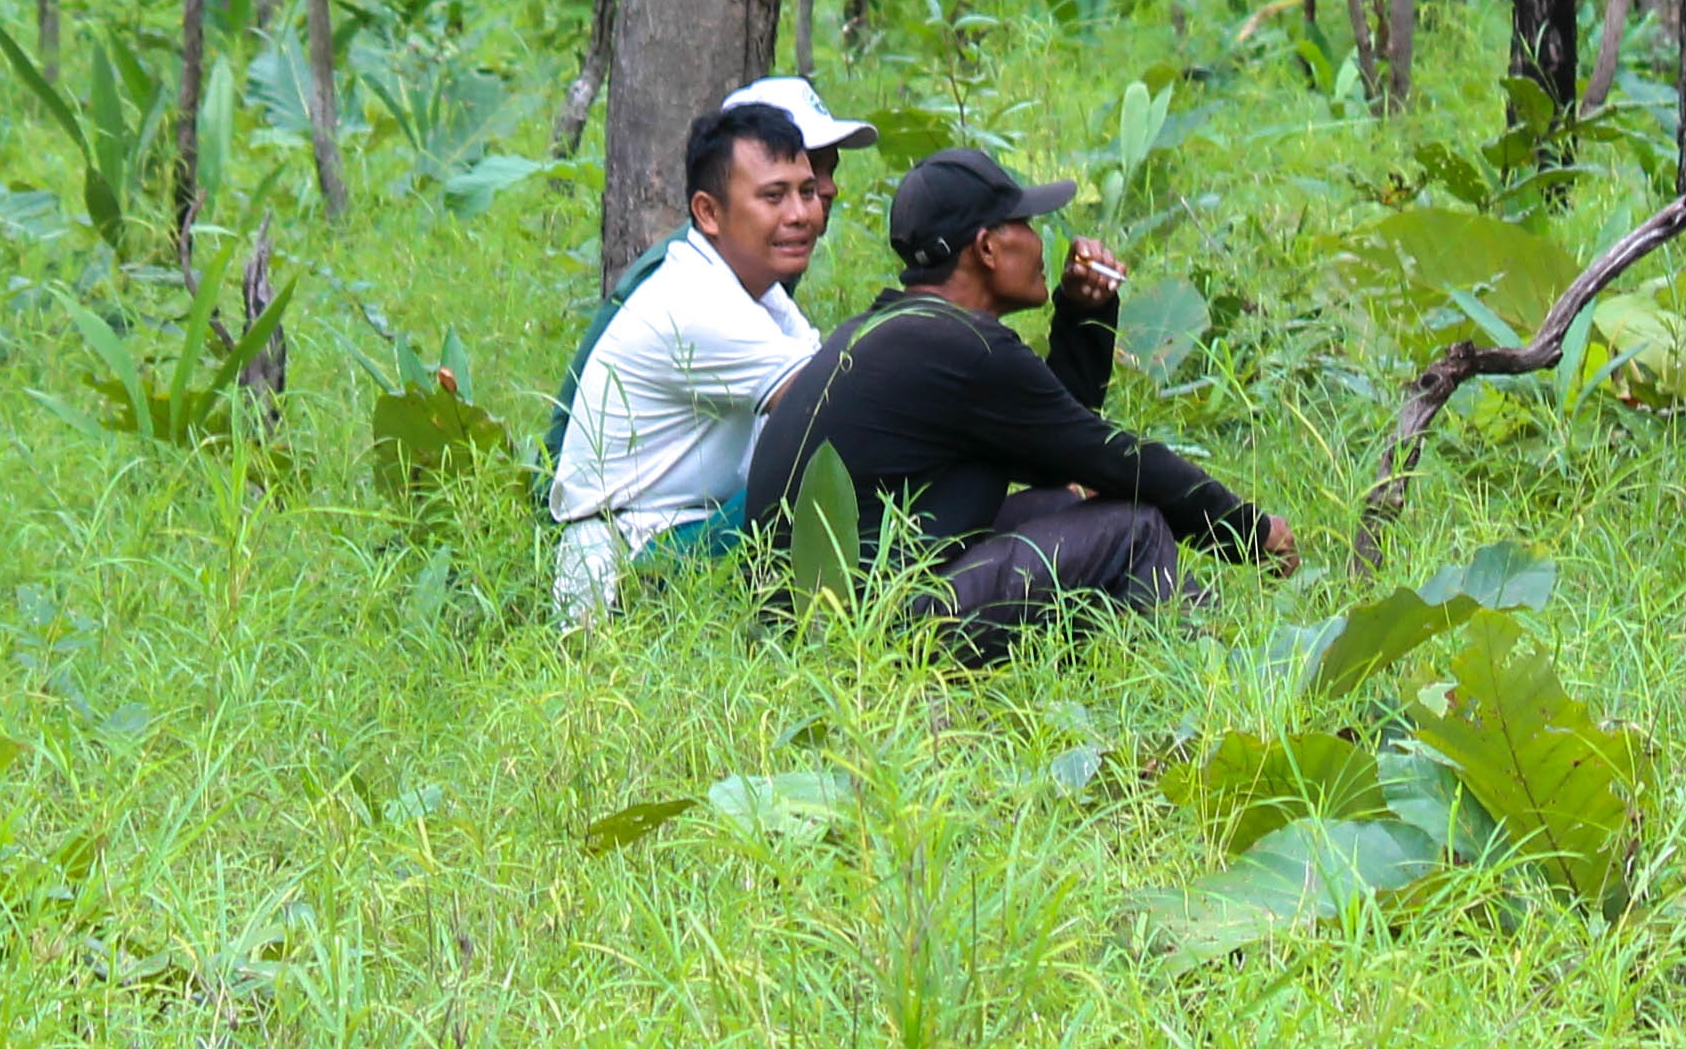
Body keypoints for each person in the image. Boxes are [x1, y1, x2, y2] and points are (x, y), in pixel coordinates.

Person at [741, 144, 1294, 663]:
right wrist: (1249, 531)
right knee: (1134, 528)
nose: (1038, 241)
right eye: (1024, 224)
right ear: (986, 247)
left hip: (808, 625)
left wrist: (1083, 314)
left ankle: (1124, 662)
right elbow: (1113, 457)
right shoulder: (967, 348)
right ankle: (1220, 670)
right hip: (863, 634)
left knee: (1065, 504)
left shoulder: (894, 330)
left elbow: (1058, 451)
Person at [543, 78, 875, 625]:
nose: (806, 210)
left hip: (685, 523)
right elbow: (836, 406)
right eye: (774, 195)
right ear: (709, 211)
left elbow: (833, 377)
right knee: (837, 474)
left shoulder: (755, 289)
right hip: (634, 555)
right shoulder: (697, 302)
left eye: (808, 189)